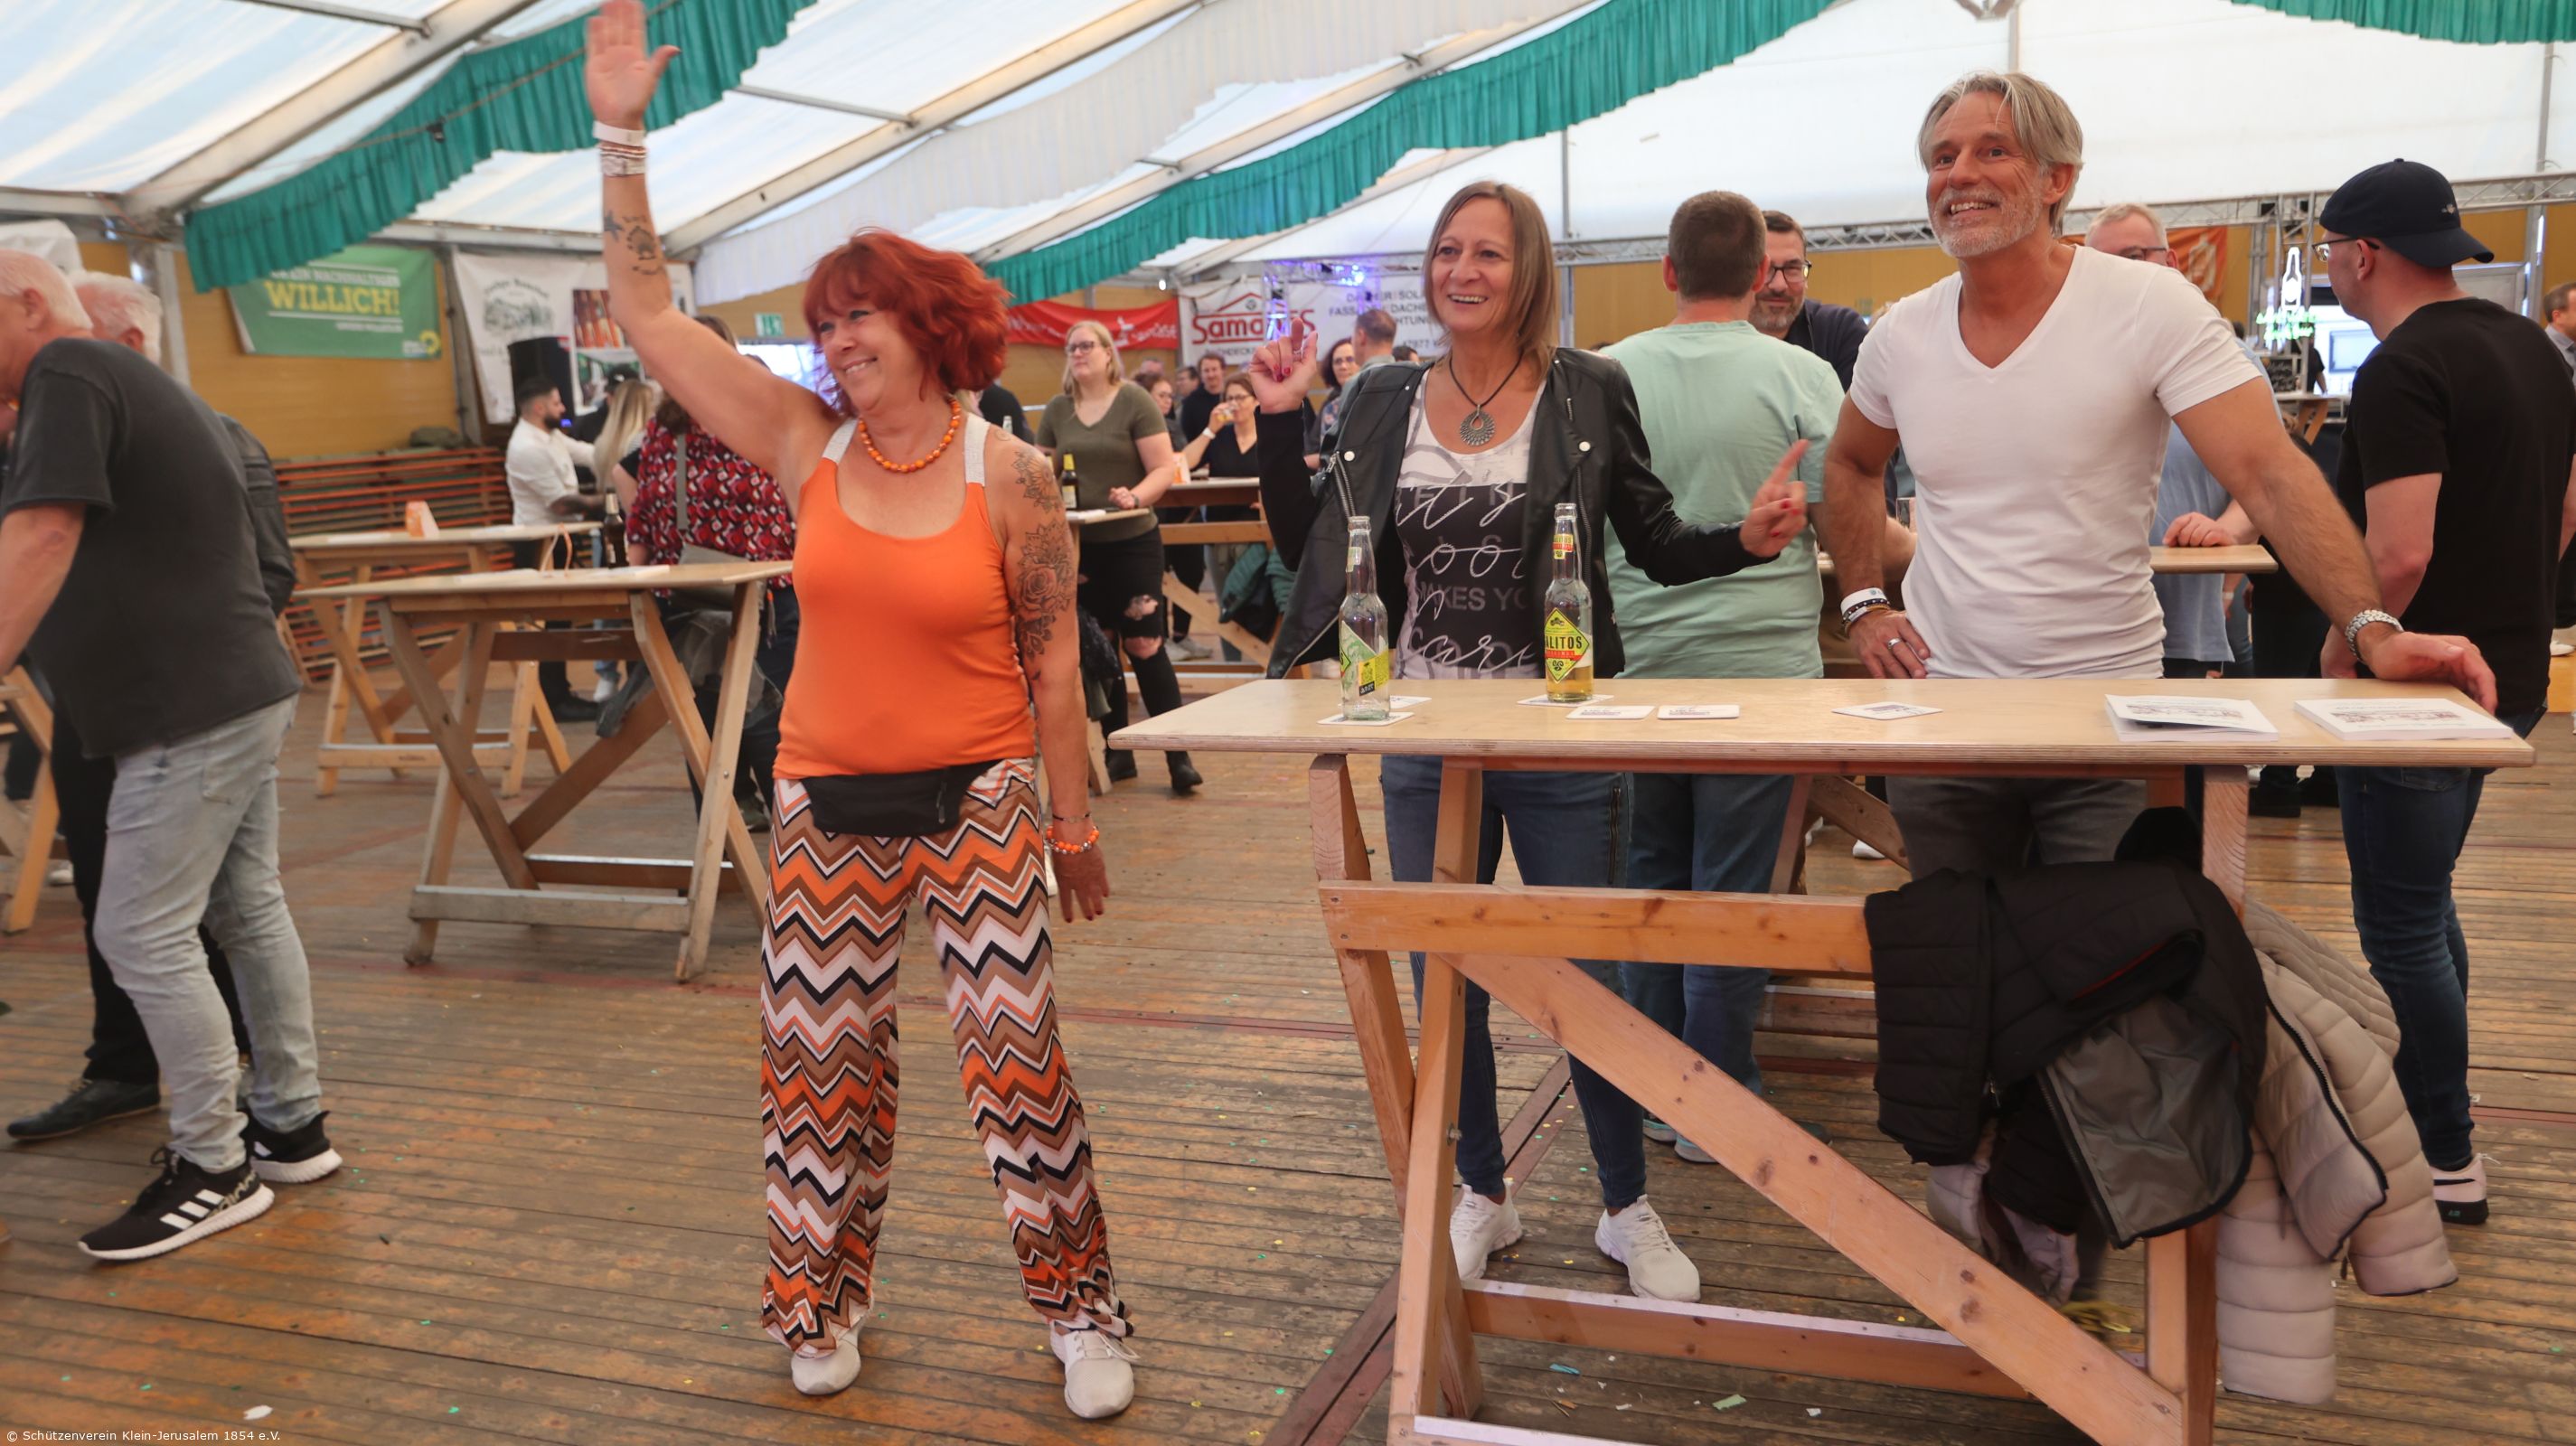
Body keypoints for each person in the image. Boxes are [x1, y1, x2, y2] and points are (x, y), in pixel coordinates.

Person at [1819, 72, 2496, 1299]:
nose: (1957, 175)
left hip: (2102, 715)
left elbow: (2272, 474)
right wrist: (1865, 603)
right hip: (1949, 714)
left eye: (1989, 151)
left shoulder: (2142, 306)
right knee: (1959, 973)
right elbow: (1852, 465)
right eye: (1940, 155)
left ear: (2056, 179)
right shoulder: (1903, 333)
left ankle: (2053, 1221)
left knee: (2101, 991)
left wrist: (2373, 625)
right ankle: (1982, 1210)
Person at [586, 2, 1133, 1415]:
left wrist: (1073, 826)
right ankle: (818, 1301)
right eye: (823, 324)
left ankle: (1080, 1316)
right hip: (825, 799)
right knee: (818, 1066)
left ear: (927, 321)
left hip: (983, 797)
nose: (836, 341)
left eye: (858, 316)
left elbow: (1054, 668)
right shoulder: (799, 442)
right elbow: (648, 315)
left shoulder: (1011, 475)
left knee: (1016, 1062)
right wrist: (619, 137)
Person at [1244, 180, 1809, 1301]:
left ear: (1530, 269)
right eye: (1447, 250)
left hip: (1562, 732)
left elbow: (1651, 540)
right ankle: (1481, 1193)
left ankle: (1624, 1204)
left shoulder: (1586, 386)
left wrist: (1744, 541)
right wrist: (1273, 421)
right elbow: (1315, 543)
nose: (1462, 271)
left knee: (1590, 975)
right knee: (1443, 971)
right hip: (1420, 731)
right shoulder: (1383, 396)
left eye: (1488, 254)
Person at [0, 249, 339, 1261]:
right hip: (229, 689)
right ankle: (291, 1128)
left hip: (184, 706)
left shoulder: (71, 367)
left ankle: (213, 1165)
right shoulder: (115, 382)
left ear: (27, 303)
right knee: (245, 909)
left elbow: (43, 536)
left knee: (140, 932)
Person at [2316, 156, 2576, 1225]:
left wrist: (2349, 643)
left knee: (2401, 926)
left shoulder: (2403, 369)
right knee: (2425, 905)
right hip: (2511, 673)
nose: (2328, 267)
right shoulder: (2533, 348)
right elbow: (2566, 511)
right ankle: (2439, 1115)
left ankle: (2444, 1151)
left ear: (2365, 254)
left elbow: (2401, 553)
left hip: (2420, 691)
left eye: (2329, 250)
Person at [1602, 192, 1843, 1161]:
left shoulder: (1606, 373)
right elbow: (1843, 513)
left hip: (1634, 668)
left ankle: (1656, 1086)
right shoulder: (1803, 375)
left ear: (1667, 271)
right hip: (1762, 670)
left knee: (1650, 878)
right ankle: (1720, 1093)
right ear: (1758, 277)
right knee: (1735, 890)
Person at [625, 314, 799, 819]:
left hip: (687, 597)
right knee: (774, 714)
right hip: (766, 593)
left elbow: (642, 519)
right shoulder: (763, 416)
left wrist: (633, 595)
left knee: (703, 719)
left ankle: (721, 836)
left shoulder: (663, 429)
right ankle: (800, 832)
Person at [2084, 202, 2252, 681]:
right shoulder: (2071, 365)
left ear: (2170, 261)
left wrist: (2225, 532)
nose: (2120, 274)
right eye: (2102, 264)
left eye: (2134, 257)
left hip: (2185, 623)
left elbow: (2265, 483)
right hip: (2084, 626)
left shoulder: (2222, 359)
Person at [1035, 320, 1200, 792]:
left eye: (1087, 345)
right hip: (1081, 546)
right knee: (1100, 647)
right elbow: (1039, 471)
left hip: (1132, 540)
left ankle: (1178, 757)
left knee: (1145, 645)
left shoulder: (1134, 400)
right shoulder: (1058, 409)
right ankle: (1117, 753)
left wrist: (1135, 496)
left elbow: (1163, 468)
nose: (1078, 353)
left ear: (1108, 352)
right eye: (1071, 347)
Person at [503, 373, 606, 722]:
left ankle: (559, 692)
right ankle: (553, 699)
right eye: (557, 403)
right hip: (537, 543)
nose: (563, 409)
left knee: (560, 619)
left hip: (558, 539)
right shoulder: (526, 447)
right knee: (546, 622)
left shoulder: (552, 436)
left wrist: (626, 450)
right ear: (539, 408)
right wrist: (609, 500)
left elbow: (590, 454)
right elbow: (561, 503)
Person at [1753, 211, 1869, 390]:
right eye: (1766, 268)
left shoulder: (1838, 330)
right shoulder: (1717, 338)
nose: (1779, 285)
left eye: (1792, 269)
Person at [1178, 351, 1227, 438]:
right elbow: (1188, 435)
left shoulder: (1232, 397)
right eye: (1206, 371)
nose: (1211, 375)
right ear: (1200, 374)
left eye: (1214, 369)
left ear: (1223, 371)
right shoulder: (1191, 402)